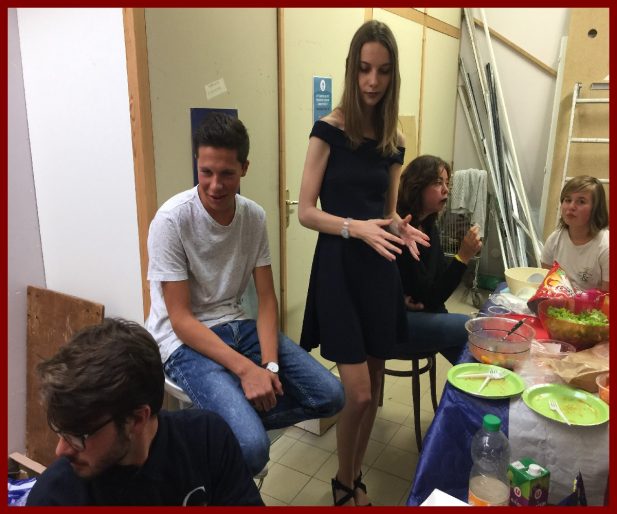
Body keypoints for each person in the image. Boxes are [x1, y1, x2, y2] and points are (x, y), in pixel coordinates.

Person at [145, 112, 344, 477]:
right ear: (197, 163)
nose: (215, 185)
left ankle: (221, 432)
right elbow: (181, 320)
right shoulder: (172, 220)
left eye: (226, 173)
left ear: (244, 168)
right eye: (206, 172)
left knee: (331, 396)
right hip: (182, 341)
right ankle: (228, 434)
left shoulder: (253, 217)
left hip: (238, 326)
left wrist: (268, 366)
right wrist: (246, 370)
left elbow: (266, 299)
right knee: (253, 448)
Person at [298, 20, 430, 506]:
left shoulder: (393, 139)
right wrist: (356, 227)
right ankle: (342, 479)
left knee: (373, 388)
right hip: (338, 268)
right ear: (352, 69)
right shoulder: (328, 130)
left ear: (393, 75)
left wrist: (399, 226)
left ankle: (354, 480)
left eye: (384, 71)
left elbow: (387, 211)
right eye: (365, 69)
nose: (373, 81)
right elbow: (306, 211)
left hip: (378, 269)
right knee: (355, 393)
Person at [26, 318, 263, 506]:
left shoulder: (207, 439)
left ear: (137, 419)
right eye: (61, 431)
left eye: (78, 436)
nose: (61, 450)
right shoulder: (54, 498)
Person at [396, 155, 483, 364]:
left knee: (474, 355)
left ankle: (481, 382)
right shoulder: (402, 228)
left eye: (447, 183)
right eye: (437, 182)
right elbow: (432, 296)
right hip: (396, 323)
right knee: (470, 328)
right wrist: (463, 257)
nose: (446, 190)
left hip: (426, 312)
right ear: (417, 186)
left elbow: (437, 284)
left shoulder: (428, 224)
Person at [541, 175, 609, 292]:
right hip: (558, 300)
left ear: (596, 209)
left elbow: (607, 295)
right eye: (568, 200)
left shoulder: (606, 247)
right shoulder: (554, 239)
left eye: (581, 202)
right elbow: (546, 283)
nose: (571, 207)